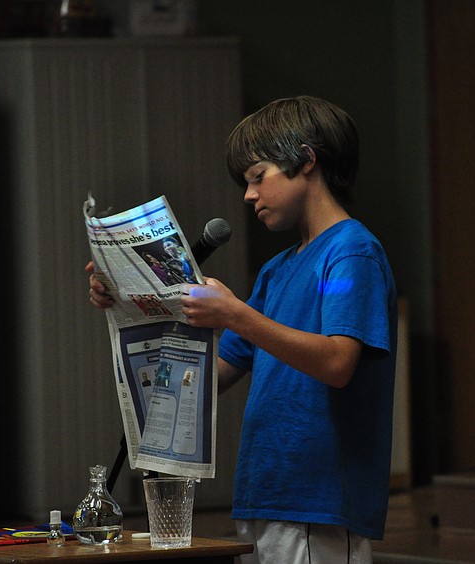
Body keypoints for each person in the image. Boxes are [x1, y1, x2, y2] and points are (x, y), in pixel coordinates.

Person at [87, 96, 397, 564]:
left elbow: (338, 362)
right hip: (265, 491)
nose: (248, 195)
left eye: (258, 177)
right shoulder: (277, 270)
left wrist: (235, 314)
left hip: (315, 497)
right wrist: (134, 303)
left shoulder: (350, 253)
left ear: (307, 159)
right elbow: (212, 376)